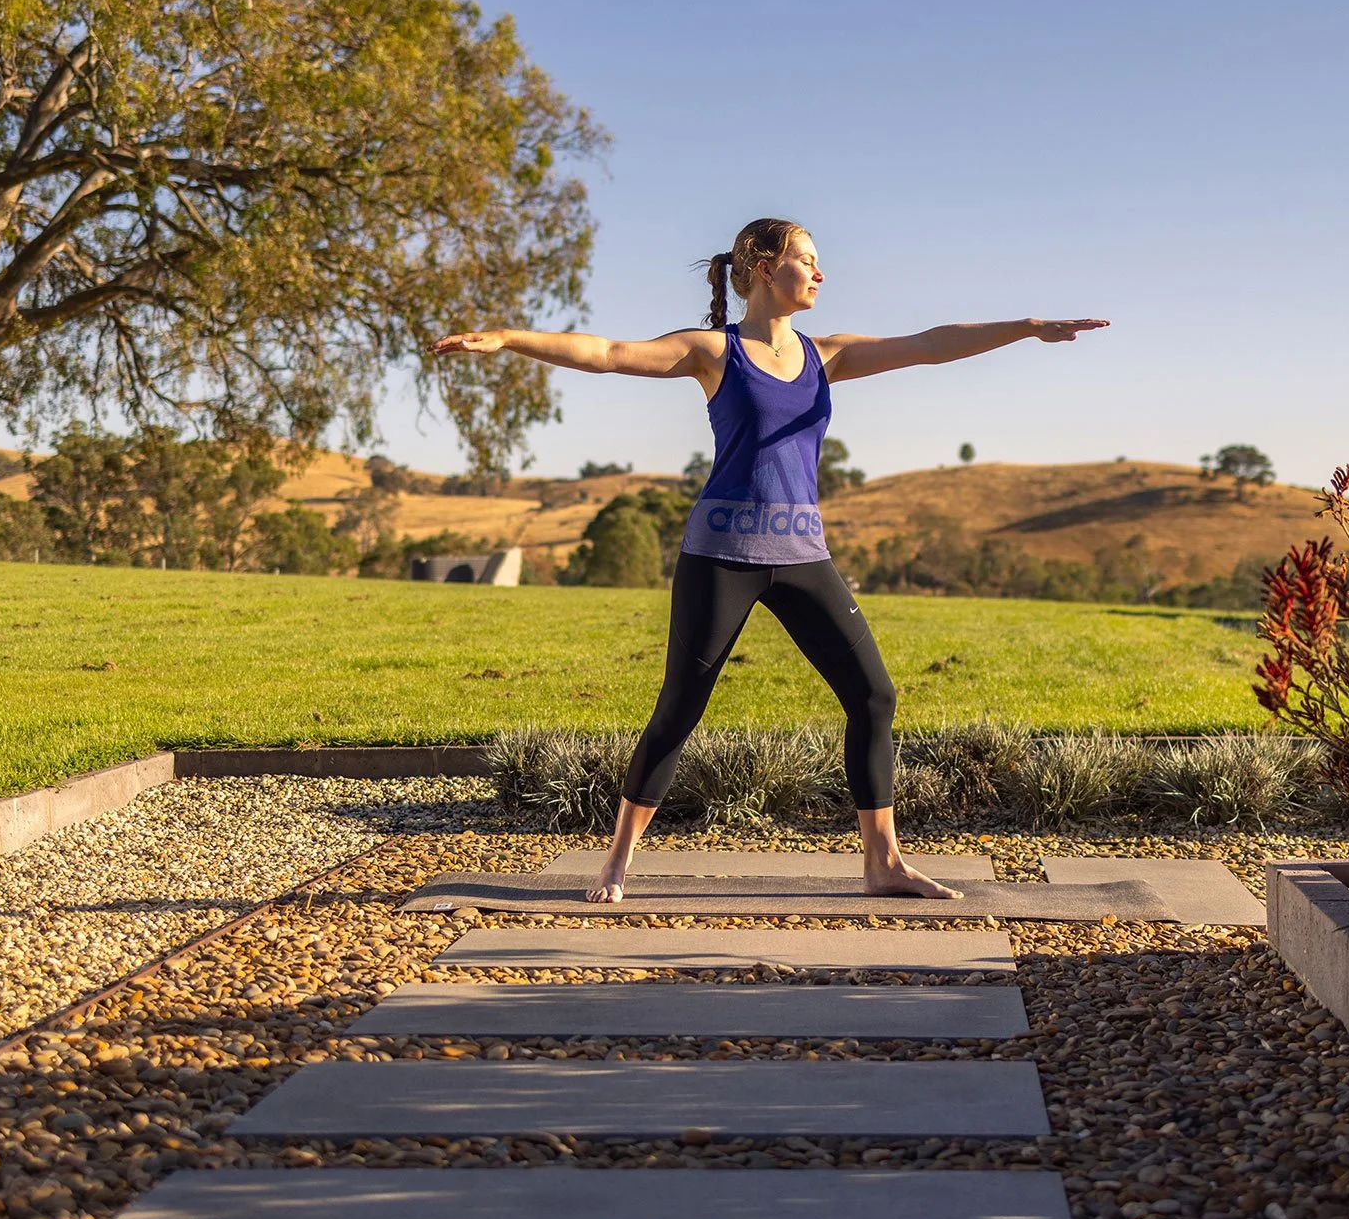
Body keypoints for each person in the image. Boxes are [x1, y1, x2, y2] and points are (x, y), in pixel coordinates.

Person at [432, 218, 1108, 903]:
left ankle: (883, 863)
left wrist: (1026, 327)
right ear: (763, 268)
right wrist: (509, 338)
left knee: (874, 696)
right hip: (720, 556)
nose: (820, 273)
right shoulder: (713, 350)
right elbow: (608, 352)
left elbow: (931, 345)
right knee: (680, 708)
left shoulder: (827, 355)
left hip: (803, 554)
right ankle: (616, 862)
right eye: (807, 260)